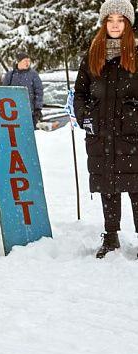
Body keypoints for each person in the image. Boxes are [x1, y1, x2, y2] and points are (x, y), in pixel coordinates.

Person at [74, 0, 138, 259]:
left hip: (132, 136)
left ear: (128, 24)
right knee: (107, 186)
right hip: (100, 135)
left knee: (136, 188)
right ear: (103, 23)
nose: (114, 24)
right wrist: (85, 117)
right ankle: (110, 237)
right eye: (110, 19)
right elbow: (79, 94)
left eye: (120, 20)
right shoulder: (92, 57)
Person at [2, 51, 44, 125]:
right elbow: (4, 92)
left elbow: (39, 91)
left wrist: (38, 108)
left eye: (29, 61)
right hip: (13, 112)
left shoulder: (33, 75)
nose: (27, 63)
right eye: (25, 61)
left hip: (29, 112)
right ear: (18, 62)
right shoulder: (10, 75)